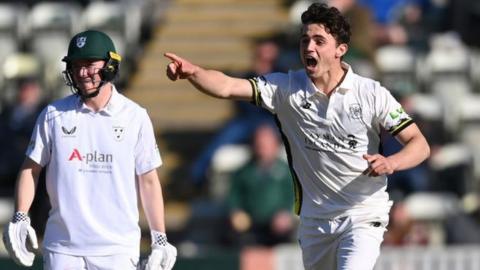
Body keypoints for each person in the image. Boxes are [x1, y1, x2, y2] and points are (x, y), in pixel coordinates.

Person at [164, 3, 430, 270]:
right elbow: (227, 86)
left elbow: (419, 144)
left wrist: (392, 163)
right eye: (305, 40)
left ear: (340, 50)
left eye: (319, 41)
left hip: (362, 214)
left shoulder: (372, 94)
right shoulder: (285, 88)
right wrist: (194, 73)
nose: (309, 48)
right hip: (315, 222)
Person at [2, 30, 176, 270]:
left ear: (110, 65)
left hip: (118, 249)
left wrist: (160, 238)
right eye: (77, 65)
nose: (83, 73)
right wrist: (20, 216)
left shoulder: (135, 116)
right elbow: (30, 170)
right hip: (63, 248)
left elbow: (148, 181)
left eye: (90, 64)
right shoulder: (53, 115)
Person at [190, 39, 281, 186]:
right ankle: (195, 178)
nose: (265, 63)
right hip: (246, 122)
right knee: (225, 136)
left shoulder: (283, 78)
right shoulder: (246, 77)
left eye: (270, 60)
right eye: (261, 58)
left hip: (272, 121)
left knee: (267, 135)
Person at [226, 124, 295, 247]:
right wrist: (236, 212)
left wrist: (285, 214)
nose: (262, 149)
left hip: (277, 226)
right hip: (250, 225)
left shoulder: (285, 172)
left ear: (275, 146)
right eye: (259, 145)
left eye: (266, 145)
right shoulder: (244, 172)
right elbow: (234, 196)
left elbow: (292, 197)